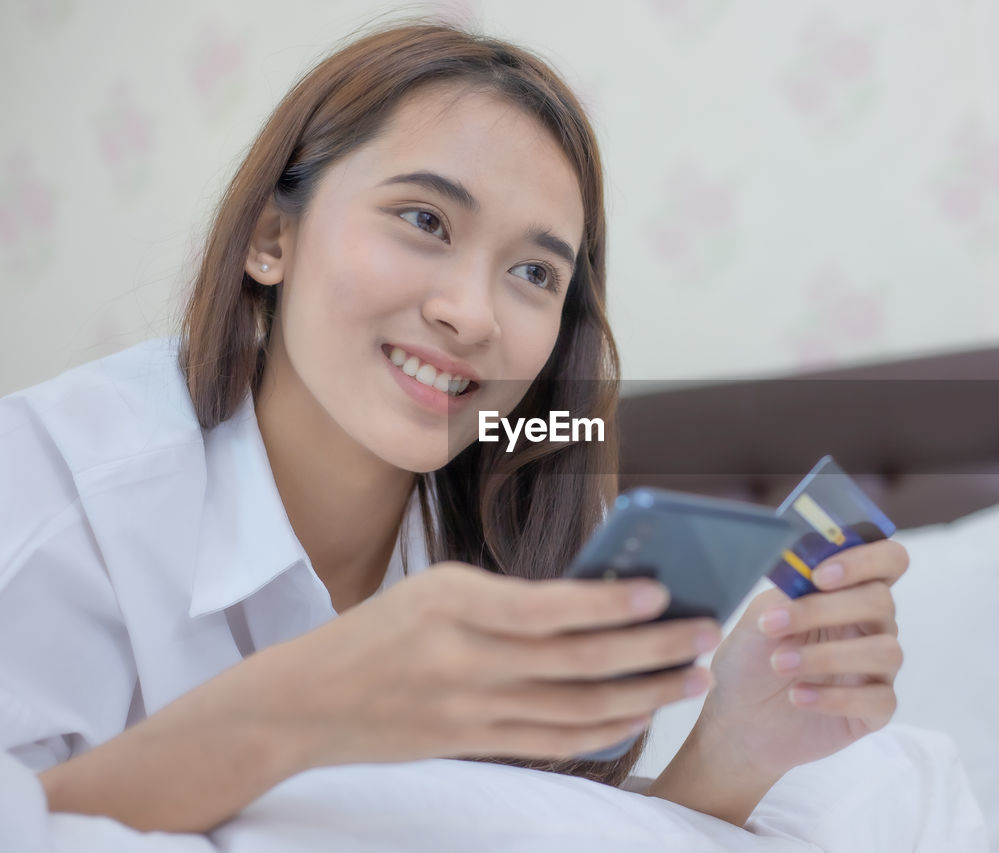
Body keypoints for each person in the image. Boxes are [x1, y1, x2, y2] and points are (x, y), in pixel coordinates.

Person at [0, 19, 907, 837]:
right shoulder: (53, 495)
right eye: (424, 219)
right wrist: (309, 703)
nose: (472, 314)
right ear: (271, 237)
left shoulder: (503, 540)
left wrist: (733, 752)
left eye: (534, 274)